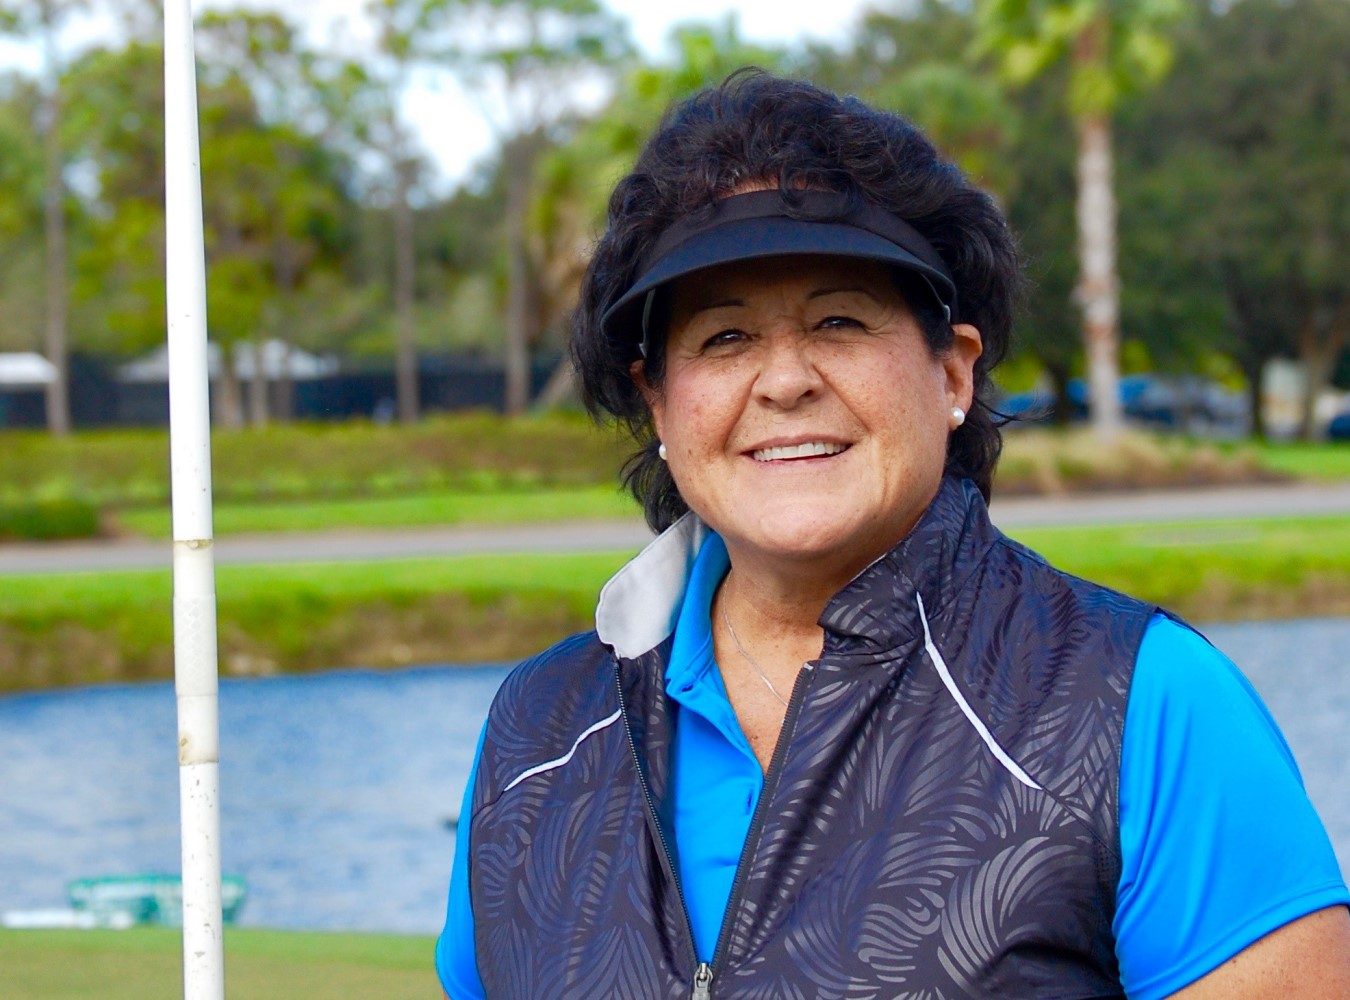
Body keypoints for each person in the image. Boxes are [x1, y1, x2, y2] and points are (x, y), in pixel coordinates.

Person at [436, 72, 1350, 998]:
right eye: (723, 338)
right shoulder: (538, 729)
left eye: (839, 320)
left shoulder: (1142, 700)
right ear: (659, 404)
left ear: (952, 374)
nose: (785, 380)